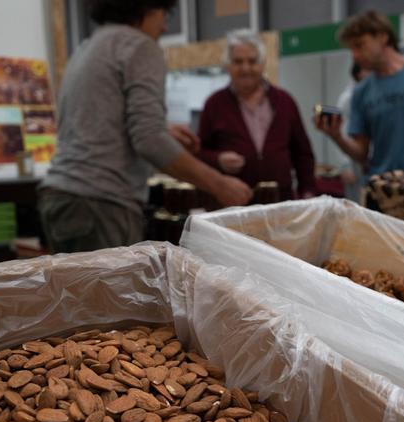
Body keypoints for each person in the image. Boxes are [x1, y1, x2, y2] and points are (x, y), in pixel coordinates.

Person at [39, 0, 251, 254]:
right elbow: (149, 140)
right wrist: (220, 185)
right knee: (113, 294)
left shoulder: (88, 47)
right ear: (144, 8)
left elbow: (92, 121)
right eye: (163, 13)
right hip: (102, 204)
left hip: (61, 199)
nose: (164, 26)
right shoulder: (140, 47)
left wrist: (164, 130)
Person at [315, 10, 404, 176]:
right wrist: (336, 136)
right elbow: (361, 153)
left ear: (383, 37)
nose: (354, 55)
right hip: (384, 188)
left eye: (359, 45)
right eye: (351, 49)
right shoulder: (361, 92)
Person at [196, 30, 316, 202]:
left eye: (252, 61)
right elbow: (199, 153)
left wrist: (308, 192)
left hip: (280, 201)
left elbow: (303, 153)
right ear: (228, 65)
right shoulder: (214, 104)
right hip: (234, 203)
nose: (246, 68)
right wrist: (218, 159)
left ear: (263, 64)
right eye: (238, 62)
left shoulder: (285, 101)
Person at [335, 62, 371, 203]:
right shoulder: (348, 98)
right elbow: (341, 132)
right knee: (356, 206)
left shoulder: (371, 93)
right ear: (358, 73)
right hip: (353, 161)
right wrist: (345, 166)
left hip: (369, 162)